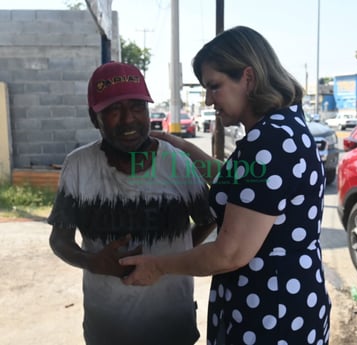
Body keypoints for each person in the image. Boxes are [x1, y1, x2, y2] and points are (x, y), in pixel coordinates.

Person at [120, 26, 332, 344]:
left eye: (214, 86)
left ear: (248, 78)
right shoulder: (284, 127)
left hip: (270, 315)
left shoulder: (269, 141)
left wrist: (158, 266)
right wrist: (183, 147)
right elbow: (247, 187)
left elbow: (229, 253)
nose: (207, 100)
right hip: (288, 301)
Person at [48, 61, 216, 345]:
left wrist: (168, 261)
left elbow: (208, 218)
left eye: (137, 107)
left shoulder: (175, 161)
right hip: (107, 329)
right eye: (114, 110)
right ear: (94, 117)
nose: (129, 120)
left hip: (172, 326)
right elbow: (59, 240)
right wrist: (93, 262)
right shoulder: (78, 166)